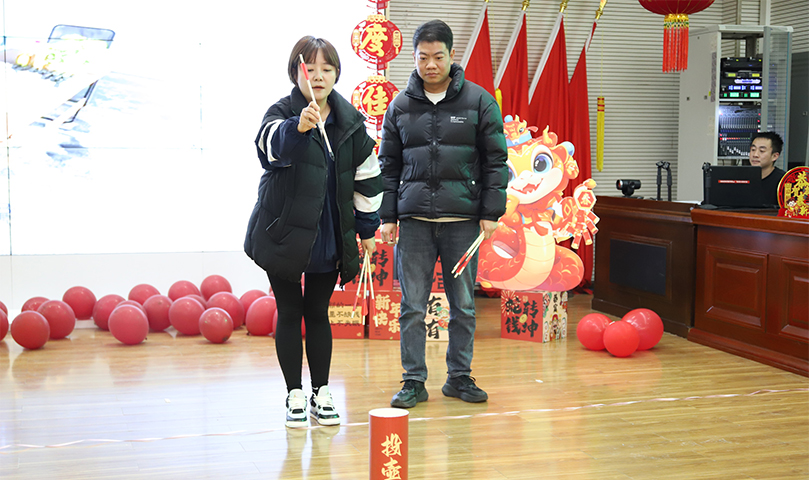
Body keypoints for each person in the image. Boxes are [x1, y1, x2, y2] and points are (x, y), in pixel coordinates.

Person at [244, 36, 382, 428]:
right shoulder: (281, 112)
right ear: (296, 73)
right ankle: (294, 394)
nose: (318, 76)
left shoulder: (350, 121)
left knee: (318, 313)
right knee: (289, 311)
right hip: (283, 232)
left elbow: (368, 178)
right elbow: (268, 149)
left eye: (327, 68)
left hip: (328, 233)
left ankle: (321, 391)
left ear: (336, 74)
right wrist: (297, 127)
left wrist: (367, 230)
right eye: (310, 68)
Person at [378, 20, 508, 408]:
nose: (430, 65)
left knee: (464, 306)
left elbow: (496, 160)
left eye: (438, 56)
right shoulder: (399, 106)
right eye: (423, 57)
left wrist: (491, 211)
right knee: (412, 307)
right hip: (414, 223)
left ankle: (459, 377)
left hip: (462, 223)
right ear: (414, 58)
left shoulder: (479, 101)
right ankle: (413, 381)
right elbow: (388, 166)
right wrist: (387, 216)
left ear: (452, 55)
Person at [749, 131, 786, 206]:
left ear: (774, 156)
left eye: (762, 151)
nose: (755, 155)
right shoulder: (741, 178)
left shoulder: (784, 181)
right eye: (753, 149)